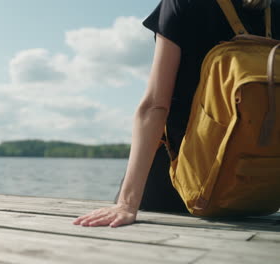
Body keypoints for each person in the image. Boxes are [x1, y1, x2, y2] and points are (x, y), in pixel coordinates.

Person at [73, 0, 280, 228]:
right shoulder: (274, 9)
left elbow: (155, 105)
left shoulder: (183, 3)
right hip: (256, 193)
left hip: (174, 190)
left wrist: (126, 203)